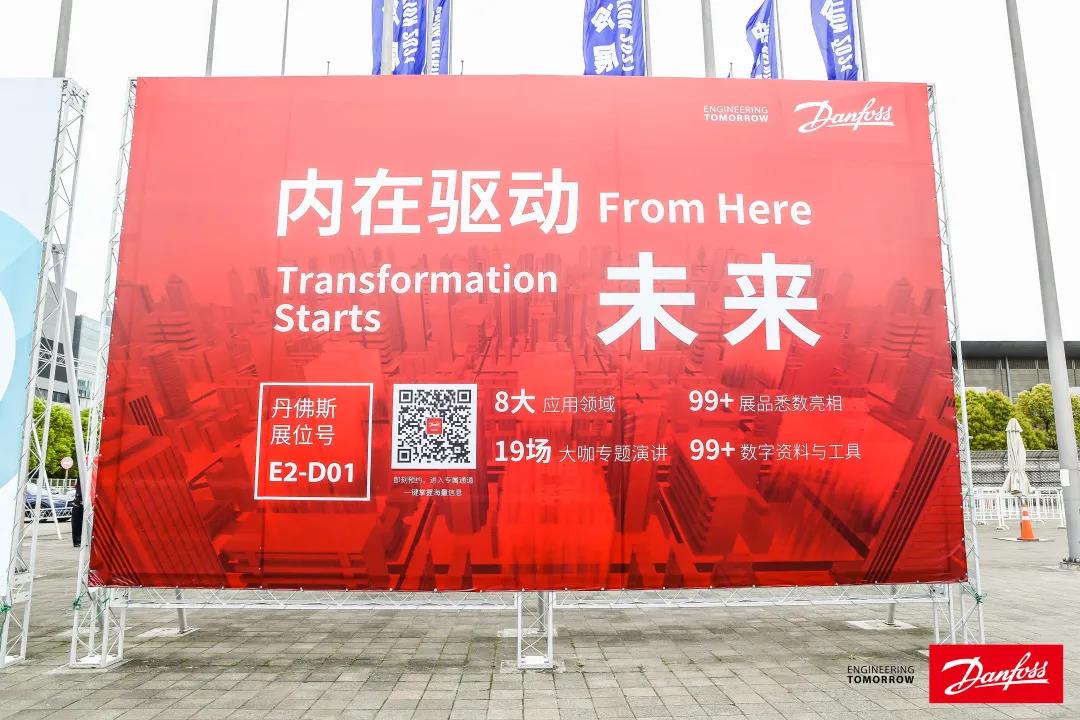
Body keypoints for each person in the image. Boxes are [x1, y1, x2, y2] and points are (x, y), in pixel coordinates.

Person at [70, 479, 83, 547]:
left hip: (80, 498)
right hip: (79, 499)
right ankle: (77, 541)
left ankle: (78, 541)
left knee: (77, 521)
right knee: (77, 521)